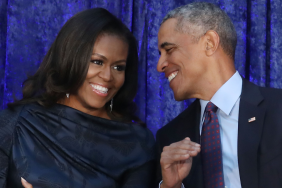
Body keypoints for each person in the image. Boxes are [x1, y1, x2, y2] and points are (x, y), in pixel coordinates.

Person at [0, 8, 156, 188]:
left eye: (118, 67)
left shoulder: (137, 144)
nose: (107, 76)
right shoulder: (14, 123)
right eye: (97, 62)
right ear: (69, 59)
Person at [156, 2, 282, 188]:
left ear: (209, 43)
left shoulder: (279, 108)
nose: (160, 65)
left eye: (169, 50)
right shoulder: (170, 138)